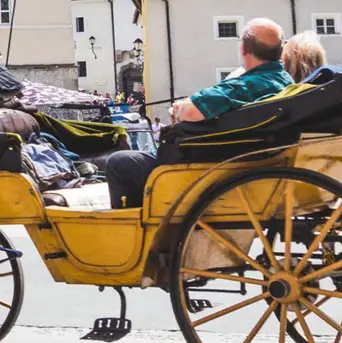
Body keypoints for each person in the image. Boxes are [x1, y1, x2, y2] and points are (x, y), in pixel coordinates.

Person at [98, 19, 292, 207]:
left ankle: (135, 230)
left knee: (120, 161)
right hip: (257, 162)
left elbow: (190, 112)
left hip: (213, 167)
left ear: (243, 50)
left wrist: (178, 108)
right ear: (280, 51)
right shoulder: (287, 83)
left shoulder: (246, 85)